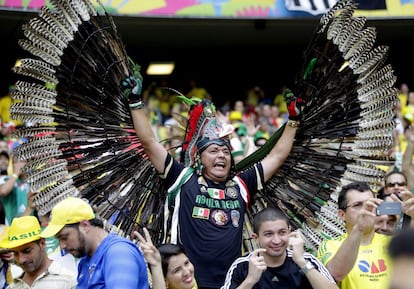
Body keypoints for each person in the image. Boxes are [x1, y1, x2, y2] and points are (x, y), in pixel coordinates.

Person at [125, 76, 303, 288]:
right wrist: (135, 102)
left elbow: (276, 157)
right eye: (213, 151)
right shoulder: (183, 178)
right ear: (199, 159)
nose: (221, 155)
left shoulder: (240, 184)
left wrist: (293, 120)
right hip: (189, 282)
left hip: (234, 283)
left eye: (225, 151)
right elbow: (149, 142)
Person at [39, 197, 148, 289]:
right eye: (59, 240)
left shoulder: (119, 253)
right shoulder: (85, 261)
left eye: (64, 237)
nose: (62, 246)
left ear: (85, 225)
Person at [221, 207, 337, 289]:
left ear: (289, 232)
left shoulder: (306, 260)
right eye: (268, 234)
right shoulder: (242, 265)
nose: (277, 241)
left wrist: (302, 263)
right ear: (256, 237)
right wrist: (250, 280)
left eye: (282, 232)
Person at [317, 182, 393, 289]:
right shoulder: (330, 245)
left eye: (371, 204)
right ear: (342, 215)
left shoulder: (392, 242)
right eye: (358, 205)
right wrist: (359, 228)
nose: (366, 209)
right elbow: (334, 275)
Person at [0, 216, 76, 289]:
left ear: (42, 243)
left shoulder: (67, 280)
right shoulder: (13, 286)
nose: (21, 260)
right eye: (16, 253)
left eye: (27, 251)